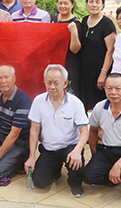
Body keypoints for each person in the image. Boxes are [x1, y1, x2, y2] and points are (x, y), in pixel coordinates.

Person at [24, 65, 89, 198]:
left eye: (56, 83)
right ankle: (55, 169)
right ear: (44, 82)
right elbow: (34, 130)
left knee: (76, 163)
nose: (52, 86)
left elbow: (84, 131)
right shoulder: (38, 101)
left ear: (65, 83)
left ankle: (75, 183)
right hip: (49, 148)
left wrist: (77, 150)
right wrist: (31, 156)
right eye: (49, 82)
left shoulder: (75, 103)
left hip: (69, 147)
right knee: (40, 183)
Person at [82, 73, 121, 200]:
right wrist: (95, 154)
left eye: (118, 88)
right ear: (104, 88)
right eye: (109, 88)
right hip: (107, 149)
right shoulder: (99, 107)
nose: (113, 92)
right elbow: (93, 131)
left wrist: (118, 165)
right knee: (88, 176)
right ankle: (111, 179)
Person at [78, 0, 116, 111]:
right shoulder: (84, 20)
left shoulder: (107, 24)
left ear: (103, 5)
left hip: (99, 74)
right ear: (87, 3)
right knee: (87, 108)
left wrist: (103, 73)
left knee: (101, 109)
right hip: (85, 73)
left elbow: (111, 51)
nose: (94, 5)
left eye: (97, 2)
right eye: (91, 1)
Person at [51, 0, 82, 97]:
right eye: (60, 3)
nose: (62, 6)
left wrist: (73, 32)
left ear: (72, 4)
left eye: (66, 3)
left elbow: (75, 49)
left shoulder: (76, 23)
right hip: (55, 63)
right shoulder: (53, 19)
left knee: (70, 93)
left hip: (70, 64)